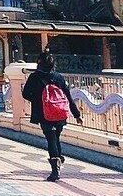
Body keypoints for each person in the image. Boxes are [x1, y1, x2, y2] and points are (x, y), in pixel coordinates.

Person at [22, 51, 82, 181]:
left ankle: (55, 169)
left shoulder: (34, 77)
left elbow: (25, 94)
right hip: (59, 112)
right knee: (56, 137)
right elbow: (68, 96)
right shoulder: (58, 77)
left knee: (51, 139)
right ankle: (58, 157)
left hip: (44, 113)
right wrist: (76, 114)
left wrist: (38, 100)